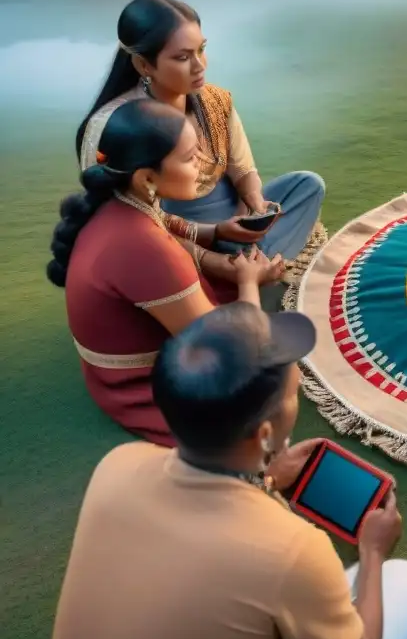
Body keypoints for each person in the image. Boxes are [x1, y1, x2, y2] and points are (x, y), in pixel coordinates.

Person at [51, 302, 407, 639]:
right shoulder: (294, 550)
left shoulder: (116, 465)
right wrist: (372, 552)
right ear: (265, 434)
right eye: (292, 390)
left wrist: (265, 478)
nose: (297, 385)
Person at [47, 97, 281, 446]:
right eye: (190, 158)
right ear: (147, 177)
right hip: (141, 388)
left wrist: (216, 233)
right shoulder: (143, 247)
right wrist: (249, 281)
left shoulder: (120, 198)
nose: (203, 164)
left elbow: (166, 222)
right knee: (274, 380)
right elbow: (224, 350)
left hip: (127, 350)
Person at [76, 0, 326, 273]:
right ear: (144, 65)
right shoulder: (119, 125)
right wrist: (217, 246)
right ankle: (239, 267)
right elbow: (131, 224)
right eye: (183, 57)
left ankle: (249, 257)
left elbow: (243, 170)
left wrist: (257, 207)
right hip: (173, 235)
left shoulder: (215, 101)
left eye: (201, 50)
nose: (200, 65)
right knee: (152, 247)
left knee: (307, 186)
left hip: (232, 222)